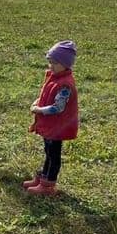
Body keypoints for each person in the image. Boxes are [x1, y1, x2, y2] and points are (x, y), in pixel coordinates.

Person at [23, 40, 79, 196]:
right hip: (51, 126)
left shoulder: (65, 85)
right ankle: (43, 177)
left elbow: (57, 107)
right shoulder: (55, 77)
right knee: (48, 151)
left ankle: (48, 185)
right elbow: (45, 95)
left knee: (53, 155)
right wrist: (37, 102)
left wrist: (38, 110)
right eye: (49, 62)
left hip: (58, 127)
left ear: (66, 64)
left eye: (55, 63)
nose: (51, 66)